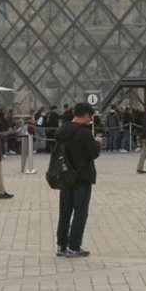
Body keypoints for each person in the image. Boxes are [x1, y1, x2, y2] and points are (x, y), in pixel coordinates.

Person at [55, 103, 102, 257]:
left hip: (65, 175)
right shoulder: (84, 133)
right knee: (80, 212)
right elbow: (92, 153)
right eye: (90, 117)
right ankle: (74, 246)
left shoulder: (62, 130)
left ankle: (61, 245)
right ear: (87, 115)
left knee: (65, 211)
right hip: (82, 177)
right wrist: (97, 143)